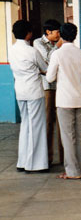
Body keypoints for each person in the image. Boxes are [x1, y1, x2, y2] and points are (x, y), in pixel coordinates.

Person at [46, 23, 81, 179]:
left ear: (61, 36)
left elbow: (50, 77)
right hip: (80, 99)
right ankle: (79, 168)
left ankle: (72, 171)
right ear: (75, 36)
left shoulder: (57, 54)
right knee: (79, 136)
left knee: (68, 136)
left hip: (65, 101)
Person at [9, 20, 49, 173]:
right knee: (36, 127)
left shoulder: (12, 50)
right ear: (28, 34)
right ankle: (36, 164)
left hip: (20, 91)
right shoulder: (32, 51)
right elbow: (45, 69)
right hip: (34, 92)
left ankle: (23, 162)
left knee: (25, 126)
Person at [33, 19, 63, 165]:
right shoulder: (37, 43)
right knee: (48, 122)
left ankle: (64, 158)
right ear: (48, 32)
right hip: (47, 87)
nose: (59, 34)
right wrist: (58, 47)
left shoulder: (58, 43)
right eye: (57, 32)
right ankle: (48, 158)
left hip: (60, 86)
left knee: (62, 123)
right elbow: (48, 59)